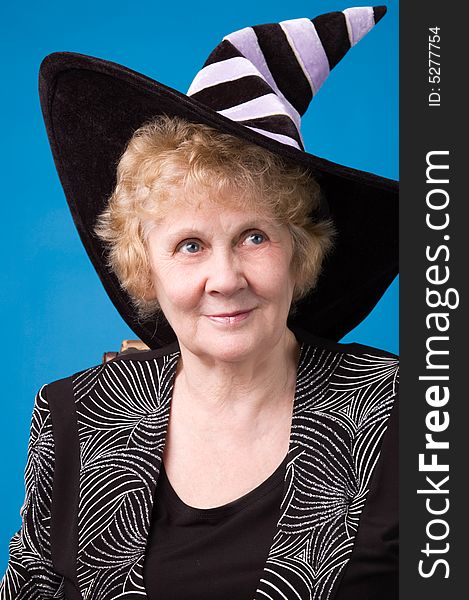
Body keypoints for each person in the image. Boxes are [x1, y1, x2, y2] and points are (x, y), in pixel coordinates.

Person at [1, 5, 398, 600]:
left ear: (300, 249)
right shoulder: (74, 416)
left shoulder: (414, 412)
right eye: (190, 245)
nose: (225, 277)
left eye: (254, 237)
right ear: (145, 266)